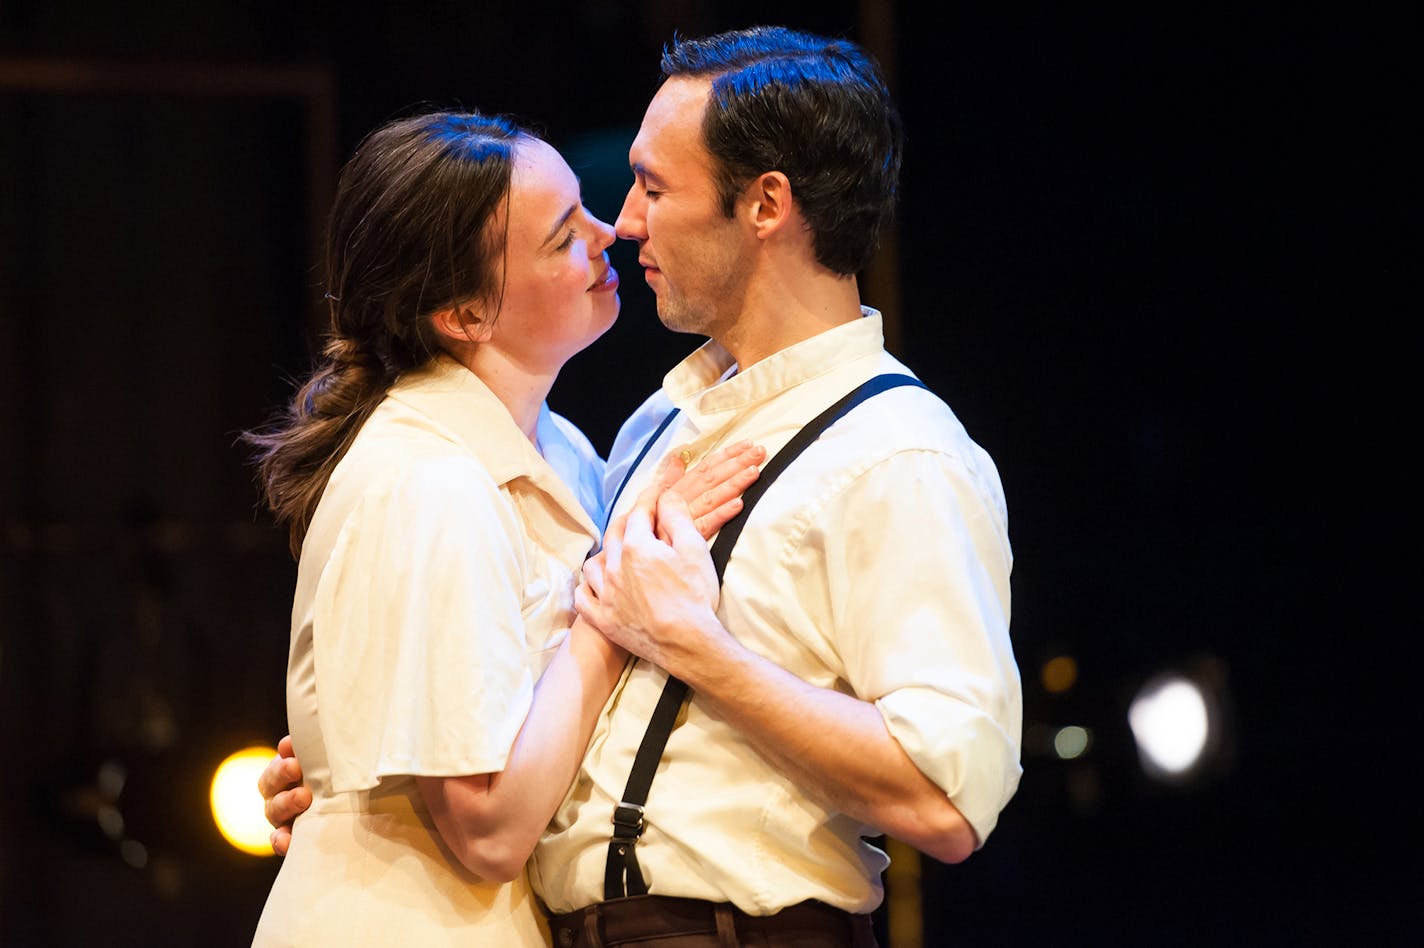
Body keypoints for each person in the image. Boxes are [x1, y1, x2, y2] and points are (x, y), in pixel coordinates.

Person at [264, 26, 1022, 947]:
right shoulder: (650, 427)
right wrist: (377, 766)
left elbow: (946, 800)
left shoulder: (900, 456)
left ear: (766, 205)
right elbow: (516, 672)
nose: (624, 221)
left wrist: (701, 649)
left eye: (655, 187)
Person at [244, 109, 763, 946]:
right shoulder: (429, 484)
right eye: (563, 239)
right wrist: (614, 609)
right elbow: (485, 828)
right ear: (464, 313)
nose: (609, 233)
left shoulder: (557, 448)